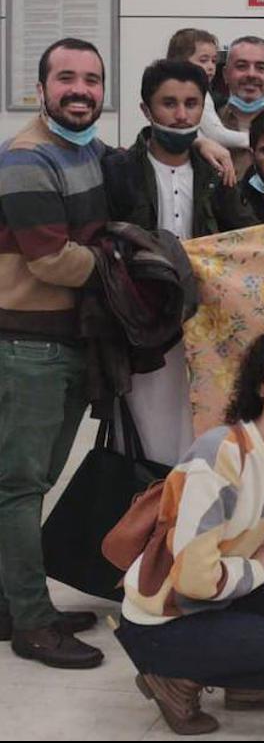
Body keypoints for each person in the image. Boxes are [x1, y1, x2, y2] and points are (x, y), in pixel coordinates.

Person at [113, 327, 264, 736]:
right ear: (260, 385)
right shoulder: (220, 454)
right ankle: (171, 677)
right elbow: (193, 579)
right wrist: (256, 572)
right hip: (168, 620)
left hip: (218, 593)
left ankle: (246, 684)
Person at [0, 37, 112, 669]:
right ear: (40, 89)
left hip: (66, 345)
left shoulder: (91, 152)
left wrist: (209, 140)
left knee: (32, 480)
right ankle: (32, 624)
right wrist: (127, 266)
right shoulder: (25, 157)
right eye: (66, 78)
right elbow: (50, 260)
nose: (80, 90)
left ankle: (11, 601)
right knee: (18, 486)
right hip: (26, 347)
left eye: (92, 80)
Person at [102, 58, 258, 465]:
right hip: (141, 328)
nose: (181, 114)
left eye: (191, 103)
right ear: (146, 110)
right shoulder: (118, 169)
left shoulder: (215, 171)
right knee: (144, 437)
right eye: (169, 103)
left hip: (202, 325)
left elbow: (247, 238)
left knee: (199, 432)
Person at [165, 27, 250, 152]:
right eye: (203, 60)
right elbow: (217, 134)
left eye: (214, 61)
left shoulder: (202, 91)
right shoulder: (196, 94)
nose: (211, 67)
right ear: (181, 62)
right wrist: (254, 139)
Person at [216, 35, 264, 177]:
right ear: (225, 74)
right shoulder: (207, 124)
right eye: (241, 66)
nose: (251, 74)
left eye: (260, 68)